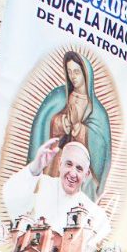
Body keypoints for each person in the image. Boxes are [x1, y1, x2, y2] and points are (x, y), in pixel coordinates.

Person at [3, 137, 112, 252]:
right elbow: (10, 197)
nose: (72, 173)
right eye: (69, 164)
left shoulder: (94, 212)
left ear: (86, 175)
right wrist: (34, 168)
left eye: (79, 168)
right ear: (60, 164)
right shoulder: (40, 183)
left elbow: (96, 247)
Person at [29, 50, 111, 198]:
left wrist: (79, 129)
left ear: (86, 74)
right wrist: (62, 123)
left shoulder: (97, 111)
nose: (73, 76)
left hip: (78, 169)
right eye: (69, 71)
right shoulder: (60, 96)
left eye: (77, 72)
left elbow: (101, 145)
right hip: (57, 163)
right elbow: (45, 122)